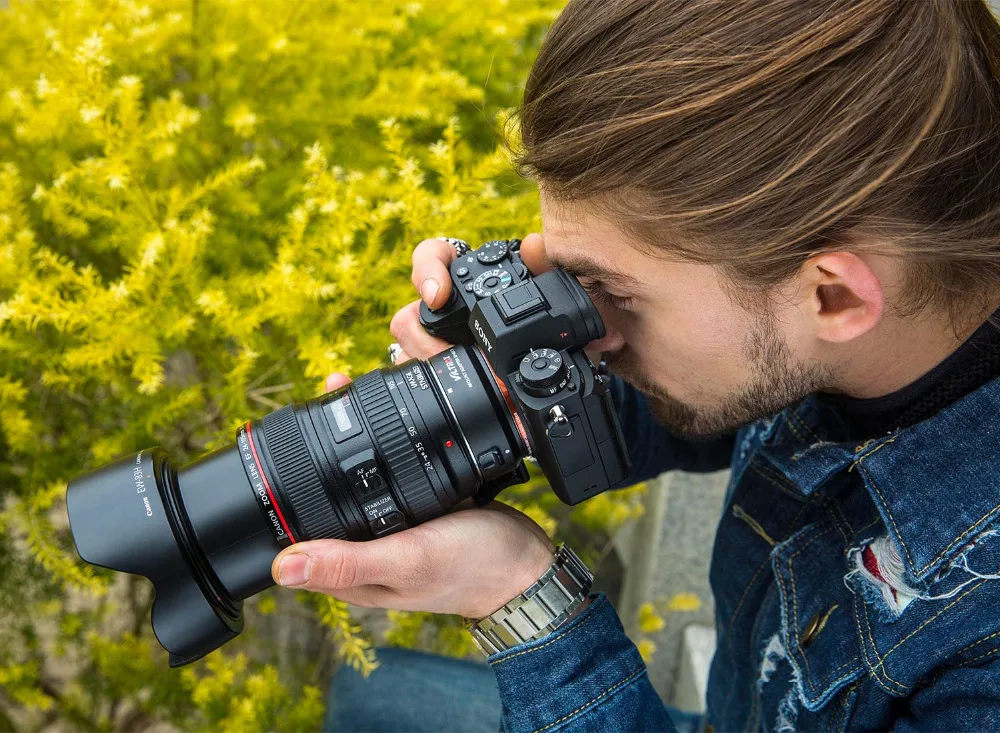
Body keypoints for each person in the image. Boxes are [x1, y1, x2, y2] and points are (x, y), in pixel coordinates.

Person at [272, 1, 1000, 730]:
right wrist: (509, 386)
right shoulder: (873, 324)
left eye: (613, 292)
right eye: (570, 280)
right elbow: (689, 414)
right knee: (364, 697)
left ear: (833, 296)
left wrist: (522, 600)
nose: (596, 332)